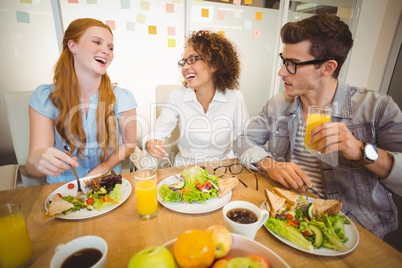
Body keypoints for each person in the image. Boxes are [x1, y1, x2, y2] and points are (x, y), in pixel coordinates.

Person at [234, 13, 402, 238]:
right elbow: (243, 141)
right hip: (289, 218)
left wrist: (361, 150)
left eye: (293, 64)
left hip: (356, 230)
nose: (282, 71)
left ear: (328, 67)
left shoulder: (377, 108)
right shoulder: (278, 104)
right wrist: (269, 163)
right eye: (284, 61)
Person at [27, 18, 137, 183]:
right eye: (96, 42)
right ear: (73, 46)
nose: (106, 50)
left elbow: (129, 144)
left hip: (107, 183)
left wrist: (101, 169)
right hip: (65, 188)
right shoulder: (45, 97)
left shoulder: (122, 97)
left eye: (110, 47)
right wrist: (37, 161)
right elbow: (33, 165)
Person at [143, 30, 249, 167]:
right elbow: (157, 133)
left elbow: (244, 142)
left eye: (192, 60)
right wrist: (151, 143)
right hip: (186, 170)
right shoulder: (176, 97)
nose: (185, 68)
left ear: (215, 64)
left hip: (221, 169)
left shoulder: (235, 98)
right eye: (184, 62)